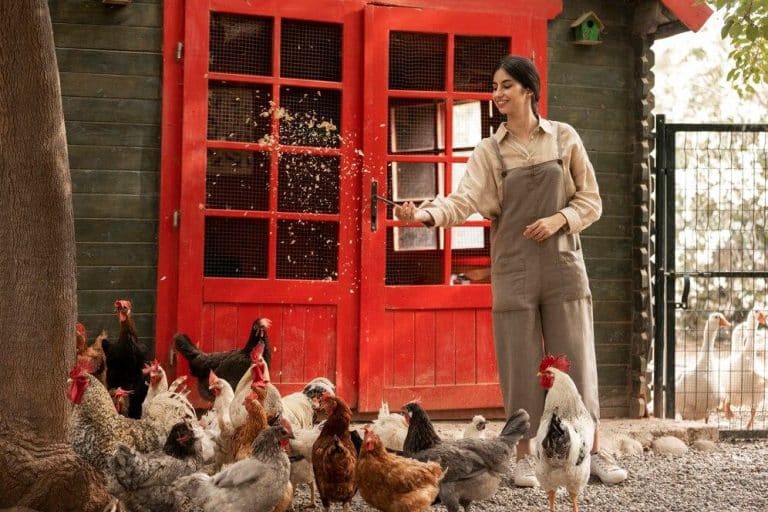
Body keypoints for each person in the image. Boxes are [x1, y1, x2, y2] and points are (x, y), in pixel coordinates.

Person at [394, 55, 628, 487]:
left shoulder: (564, 138)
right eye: (495, 86)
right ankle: (522, 456)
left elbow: (591, 201)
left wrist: (558, 220)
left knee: (575, 359)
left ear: (528, 90)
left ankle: (592, 451)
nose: (497, 94)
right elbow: (461, 202)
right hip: (514, 267)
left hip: (563, 264)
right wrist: (424, 216)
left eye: (506, 86)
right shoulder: (490, 151)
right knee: (520, 365)